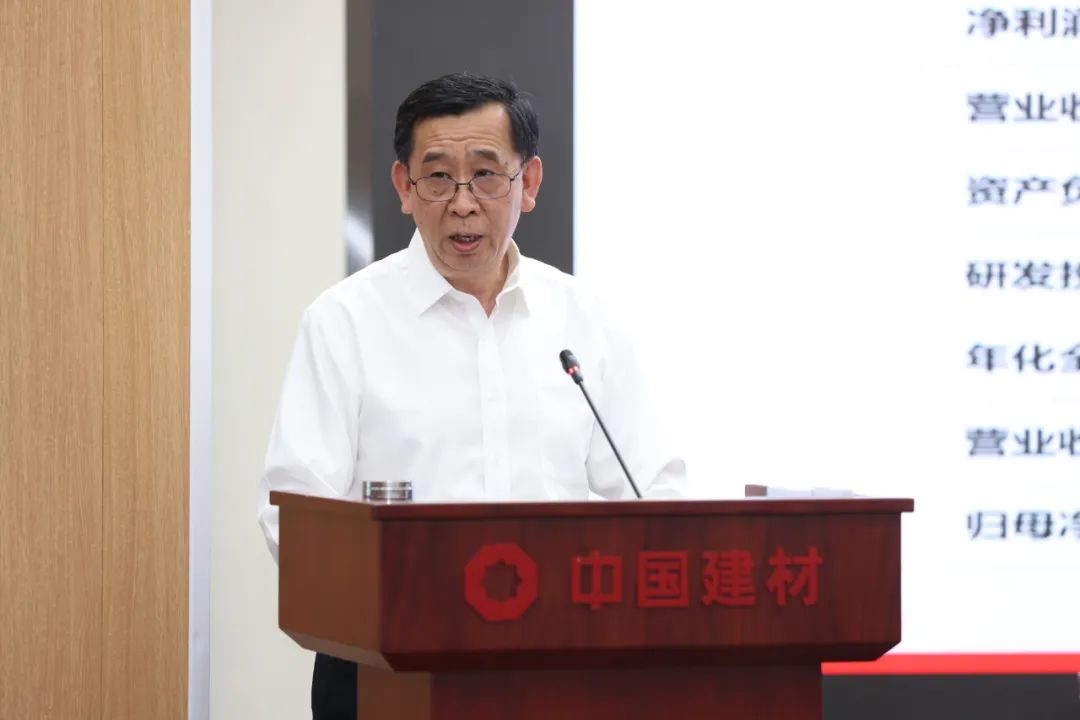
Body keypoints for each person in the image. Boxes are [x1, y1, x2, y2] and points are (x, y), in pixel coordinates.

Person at [257, 72, 686, 720]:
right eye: (438, 177)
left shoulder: (586, 320)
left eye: (486, 175)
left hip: (560, 661)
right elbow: (294, 515)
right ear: (404, 186)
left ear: (528, 183)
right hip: (386, 666)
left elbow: (654, 491)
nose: (462, 203)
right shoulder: (344, 322)